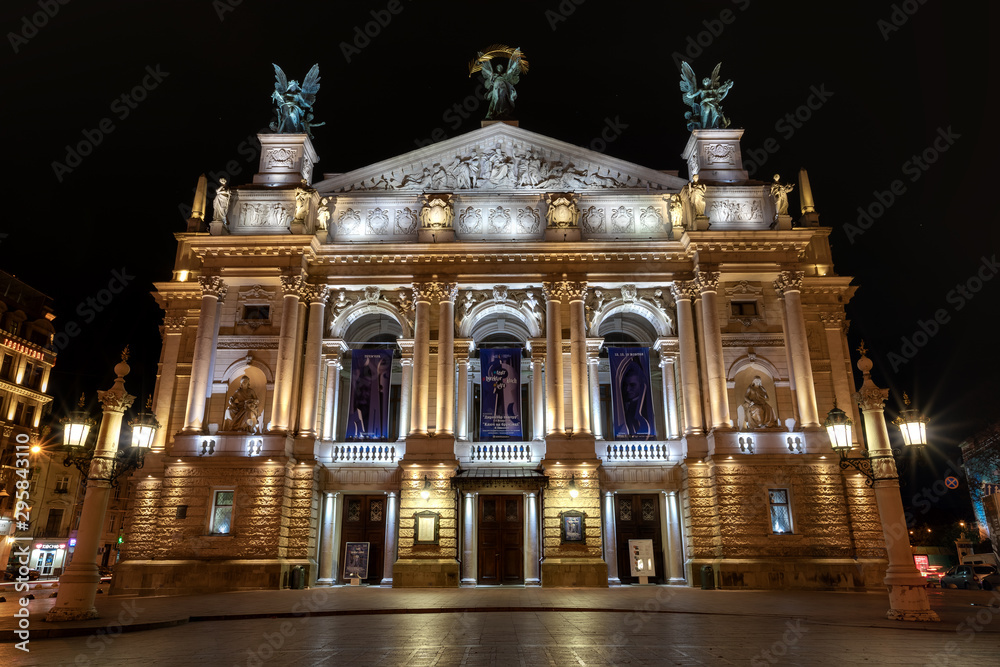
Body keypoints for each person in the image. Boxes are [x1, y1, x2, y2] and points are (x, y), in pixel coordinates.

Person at [615, 358, 653, 440]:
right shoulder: (623, 407)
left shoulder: (644, 410)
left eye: (632, 385)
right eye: (625, 385)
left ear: (641, 385)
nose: (627, 389)